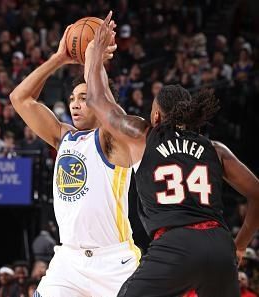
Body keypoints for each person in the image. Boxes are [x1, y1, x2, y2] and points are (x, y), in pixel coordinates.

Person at [85, 11, 259, 297]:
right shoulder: (215, 149)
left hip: (175, 246)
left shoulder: (143, 135)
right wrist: (239, 245)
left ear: (155, 114)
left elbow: (97, 99)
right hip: (219, 245)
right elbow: (257, 193)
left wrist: (95, 56)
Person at [10, 25, 141, 297]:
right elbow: (20, 98)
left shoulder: (113, 139)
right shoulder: (64, 137)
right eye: (72, 99)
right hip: (68, 260)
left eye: (84, 98)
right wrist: (59, 58)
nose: (75, 104)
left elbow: (102, 99)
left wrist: (94, 61)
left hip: (113, 262)